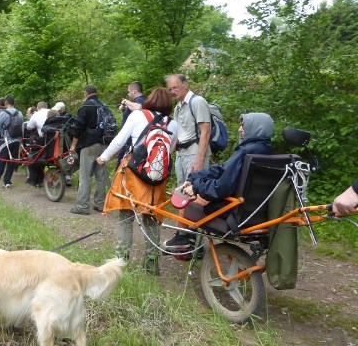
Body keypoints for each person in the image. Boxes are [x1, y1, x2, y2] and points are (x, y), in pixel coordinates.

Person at [96, 87, 176, 272]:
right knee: (151, 219)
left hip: (133, 174)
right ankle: (151, 263)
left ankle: (120, 261)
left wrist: (103, 158)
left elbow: (119, 141)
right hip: (156, 179)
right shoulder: (171, 123)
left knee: (126, 216)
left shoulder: (138, 115)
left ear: (149, 100)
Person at [168, 112, 275, 250]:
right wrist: (195, 178)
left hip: (231, 210)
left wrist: (196, 187)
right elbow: (223, 169)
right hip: (255, 212)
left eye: (243, 126)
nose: (239, 129)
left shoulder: (245, 153)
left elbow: (222, 186)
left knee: (185, 202)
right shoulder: (267, 153)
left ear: (256, 128)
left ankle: (183, 242)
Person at [164, 73, 211, 248]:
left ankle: (197, 240)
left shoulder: (197, 102)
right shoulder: (178, 107)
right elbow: (178, 134)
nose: (173, 91)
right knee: (182, 194)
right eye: (170, 89)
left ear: (186, 85)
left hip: (195, 153)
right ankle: (185, 236)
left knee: (196, 195)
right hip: (182, 154)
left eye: (175, 87)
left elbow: (206, 131)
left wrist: (199, 160)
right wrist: (168, 154)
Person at [68, 85, 110, 215]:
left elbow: (78, 127)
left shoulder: (86, 107)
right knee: (101, 176)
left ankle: (82, 206)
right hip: (104, 144)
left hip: (89, 145)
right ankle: (100, 204)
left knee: (85, 176)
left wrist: (73, 145)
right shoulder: (104, 106)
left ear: (86, 93)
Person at [0, 96, 23, 188]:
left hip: (5, 141)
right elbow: (22, 128)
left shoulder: (3, 113)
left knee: (0, 160)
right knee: (12, 161)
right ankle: (7, 181)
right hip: (17, 141)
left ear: (6, 102)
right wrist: (21, 140)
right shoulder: (19, 113)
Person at [116, 81, 147, 167]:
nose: (128, 93)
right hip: (128, 139)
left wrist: (126, 101)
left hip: (130, 141)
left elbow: (138, 107)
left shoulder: (140, 100)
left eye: (129, 91)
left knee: (122, 164)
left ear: (134, 91)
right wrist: (125, 108)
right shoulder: (136, 101)